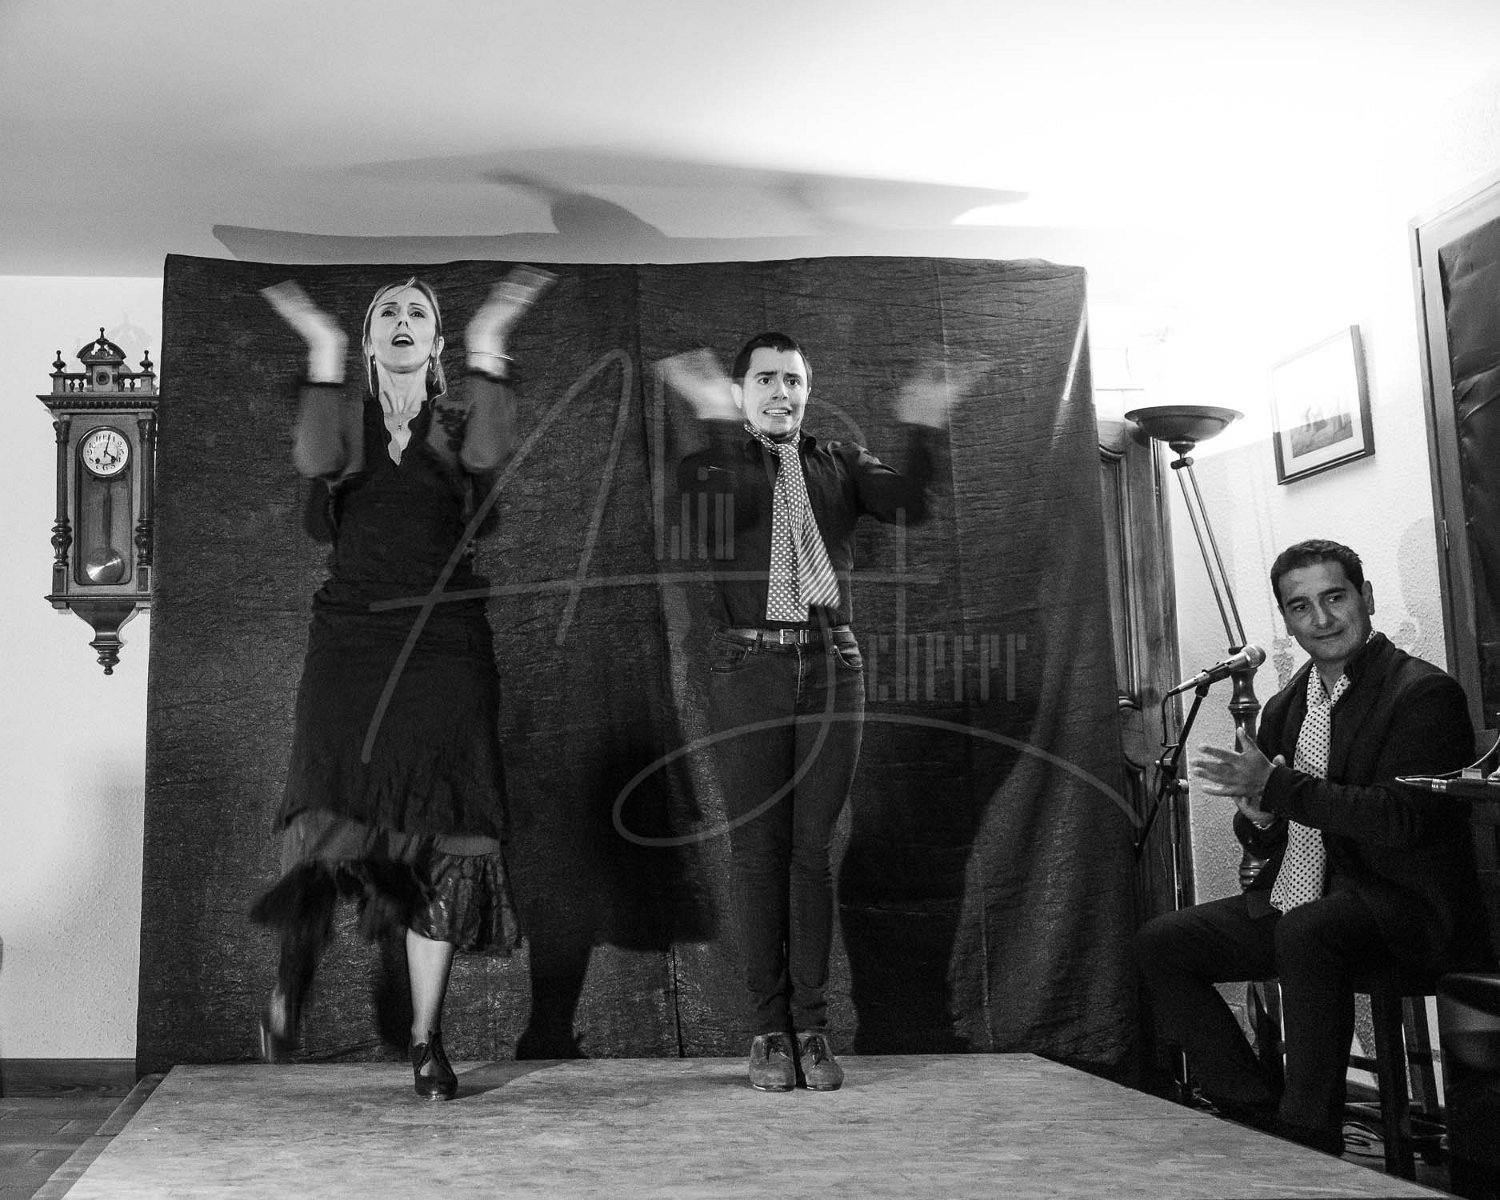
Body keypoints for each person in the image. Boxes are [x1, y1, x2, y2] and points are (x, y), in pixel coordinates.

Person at [250, 267, 553, 1099]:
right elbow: (315, 458)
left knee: (450, 831)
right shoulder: (345, 419)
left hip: (444, 649)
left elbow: (487, 452)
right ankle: (292, 989)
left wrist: (490, 342)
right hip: (352, 643)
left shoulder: (455, 422)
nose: (403, 319)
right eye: (388, 312)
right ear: (372, 338)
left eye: (418, 312)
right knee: (329, 809)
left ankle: (425, 1039)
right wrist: (323, 349)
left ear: (436, 341)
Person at [661, 333, 965, 1092]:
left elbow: (908, 504)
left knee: (811, 852)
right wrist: (717, 424)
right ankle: (769, 1031)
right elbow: (720, 513)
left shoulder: (839, 460)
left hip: (833, 666)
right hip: (749, 670)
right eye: (765, 380)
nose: (782, 393)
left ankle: (814, 1029)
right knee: (758, 851)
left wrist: (923, 422)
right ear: (741, 393)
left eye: (793, 381)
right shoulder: (708, 464)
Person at [1135, 539, 1492, 1153]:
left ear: (1366, 597)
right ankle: (1256, 1113)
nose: (1321, 619)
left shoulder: (1424, 693)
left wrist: (1278, 787)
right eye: (1300, 607)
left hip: (1407, 908)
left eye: (1334, 598)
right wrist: (1261, 818)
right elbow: (1276, 825)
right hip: (1309, 898)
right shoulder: (1287, 704)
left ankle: (1310, 1134)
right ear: (1287, 618)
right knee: (1161, 942)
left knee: (1308, 930)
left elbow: (1402, 819)